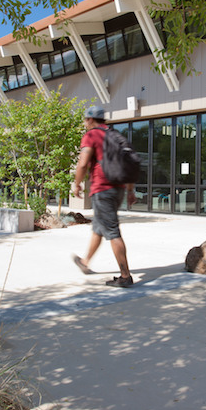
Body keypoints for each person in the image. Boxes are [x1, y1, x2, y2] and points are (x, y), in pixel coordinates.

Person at [71, 105, 136, 287]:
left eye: (85, 120)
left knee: (113, 231)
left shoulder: (91, 135)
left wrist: (77, 184)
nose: (84, 123)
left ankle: (125, 276)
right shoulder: (116, 136)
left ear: (90, 119)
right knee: (99, 227)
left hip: (102, 189)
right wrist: (130, 190)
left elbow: (83, 163)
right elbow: (128, 165)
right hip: (118, 189)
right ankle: (85, 262)